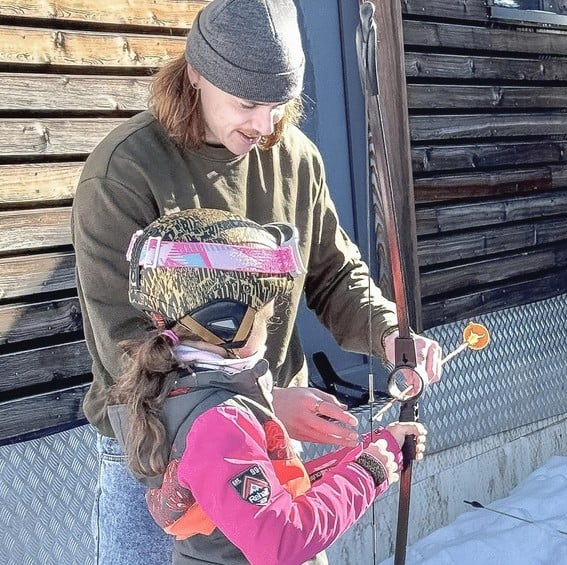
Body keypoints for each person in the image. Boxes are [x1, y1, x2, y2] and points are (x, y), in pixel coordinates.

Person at [70, 0, 441, 563]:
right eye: (247, 103)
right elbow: (125, 340)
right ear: (196, 73)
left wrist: (388, 333)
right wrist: (257, 398)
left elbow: (334, 272)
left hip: (264, 435)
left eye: (279, 104)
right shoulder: (124, 171)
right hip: (154, 449)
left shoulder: (295, 157)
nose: (264, 126)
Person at [106, 208, 427, 565]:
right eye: (267, 319)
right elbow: (282, 539)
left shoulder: (173, 390)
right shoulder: (218, 422)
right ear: (227, 324)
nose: (270, 330)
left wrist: (369, 454)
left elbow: (270, 496)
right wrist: (370, 471)